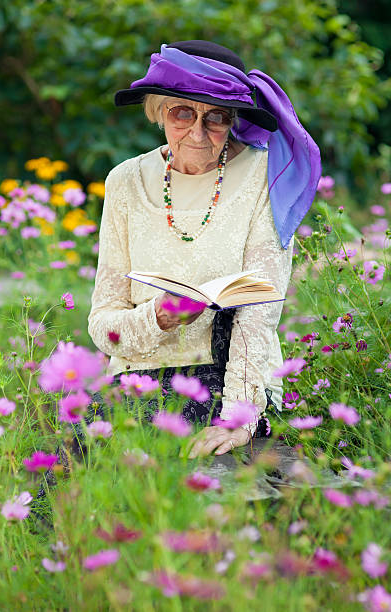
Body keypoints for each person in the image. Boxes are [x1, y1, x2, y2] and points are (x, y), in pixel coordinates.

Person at [87, 40, 321, 458]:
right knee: (76, 473)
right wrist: (157, 318)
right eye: (182, 113)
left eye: (215, 118)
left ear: (232, 120)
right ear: (159, 112)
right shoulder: (124, 180)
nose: (197, 132)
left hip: (227, 376)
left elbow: (259, 313)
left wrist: (239, 416)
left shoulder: (263, 176)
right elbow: (103, 325)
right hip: (137, 376)